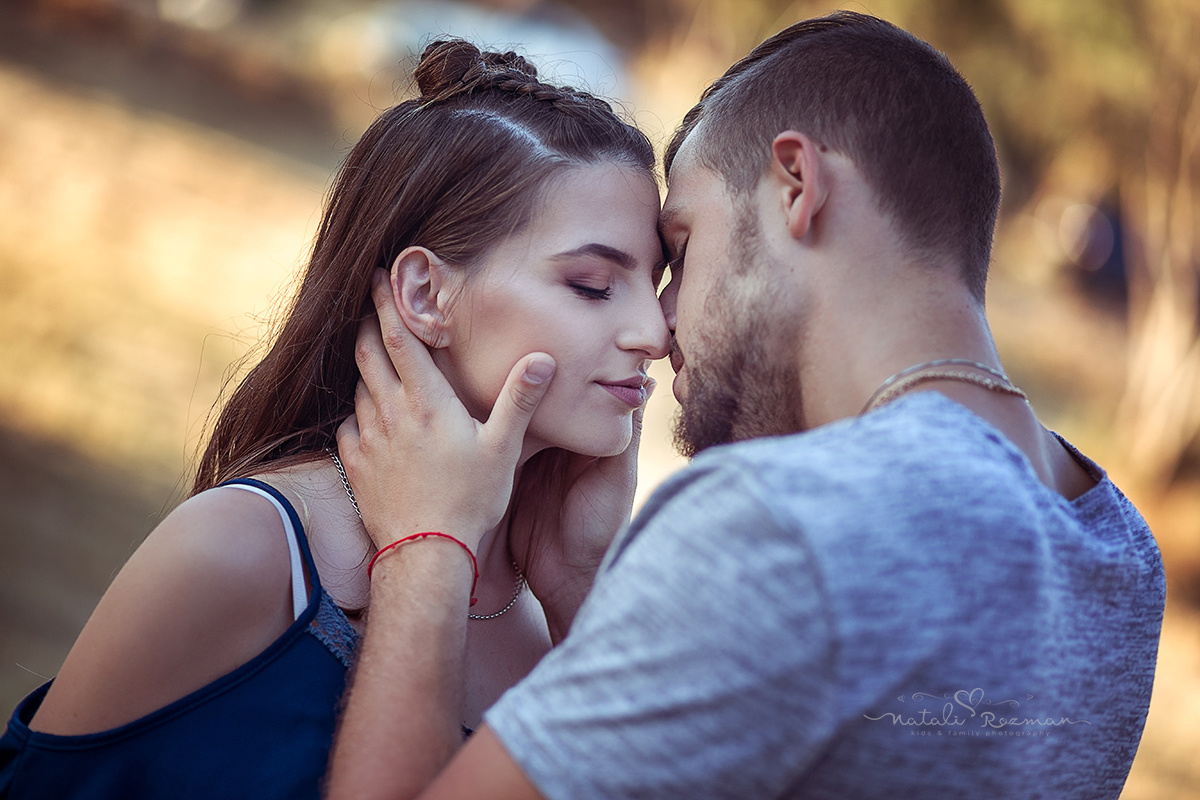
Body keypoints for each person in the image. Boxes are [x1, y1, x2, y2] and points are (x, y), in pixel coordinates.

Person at [323, 11, 1167, 800]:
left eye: (682, 250)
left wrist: (424, 548)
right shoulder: (1120, 553)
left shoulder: (783, 522)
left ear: (796, 185)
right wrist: (584, 585)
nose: (660, 323)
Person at [0, 39, 669, 799]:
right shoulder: (243, 551)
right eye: (591, 285)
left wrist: (583, 588)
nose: (653, 332)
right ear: (425, 294)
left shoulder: (554, 614)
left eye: (655, 280)